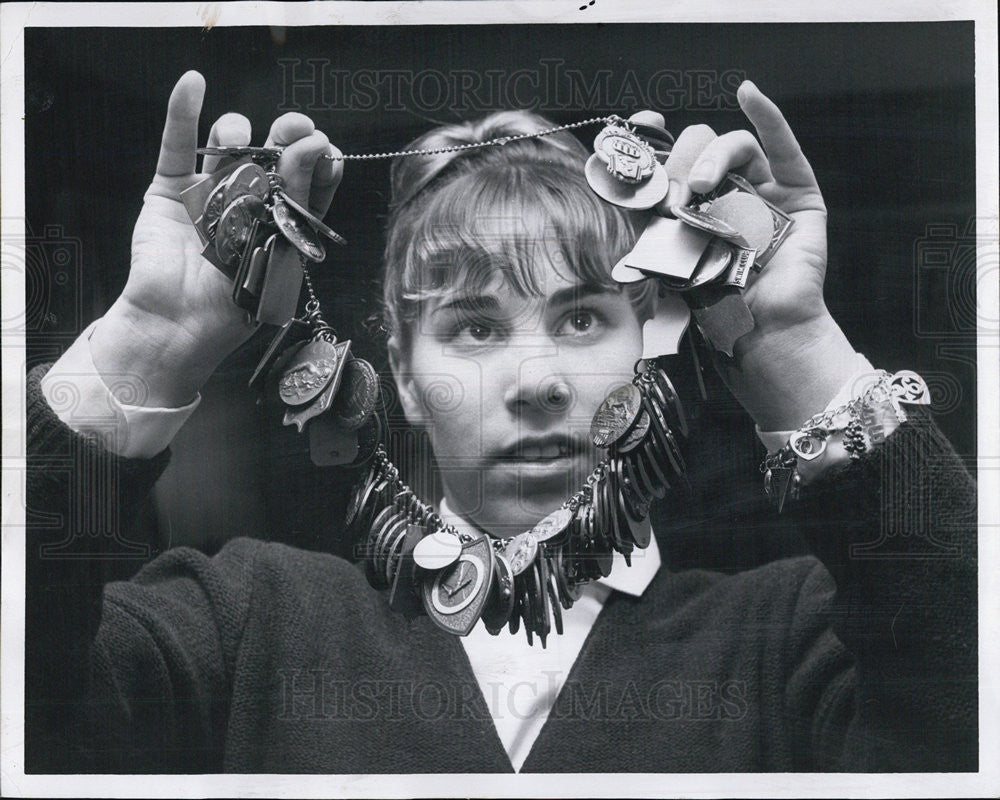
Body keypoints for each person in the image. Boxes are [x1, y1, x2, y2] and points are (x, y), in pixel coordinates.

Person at [25, 70, 976, 774]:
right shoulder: (241, 628)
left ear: (645, 346)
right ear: (400, 373)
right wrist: (150, 342)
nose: (535, 381)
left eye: (580, 318)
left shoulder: (792, 641)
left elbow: (972, 699)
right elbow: (24, 709)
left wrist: (791, 346)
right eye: (474, 327)